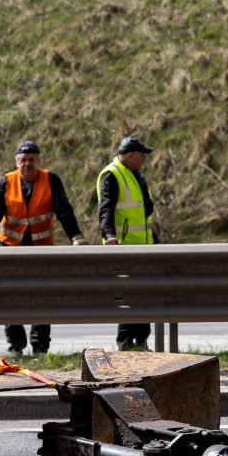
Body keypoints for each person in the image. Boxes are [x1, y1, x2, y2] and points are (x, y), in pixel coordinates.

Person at [0, 140, 88, 354]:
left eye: (32, 159)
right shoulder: (5, 182)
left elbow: (64, 210)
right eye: (23, 160)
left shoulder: (51, 180)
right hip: (10, 247)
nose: (28, 164)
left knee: (42, 296)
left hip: (41, 248)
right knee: (9, 296)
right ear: (17, 162)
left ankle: (40, 346)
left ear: (38, 161)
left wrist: (76, 236)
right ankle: (16, 346)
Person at [97, 136, 157, 351]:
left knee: (144, 297)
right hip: (123, 247)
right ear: (131, 155)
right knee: (128, 297)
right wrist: (109, 235)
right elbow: (106, 209)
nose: (144, 159)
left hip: (143, 246)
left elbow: (144, 211)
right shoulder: (112, 175)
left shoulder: (135, 174)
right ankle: (125, 345)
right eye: (142, 155)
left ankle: (141, 342)